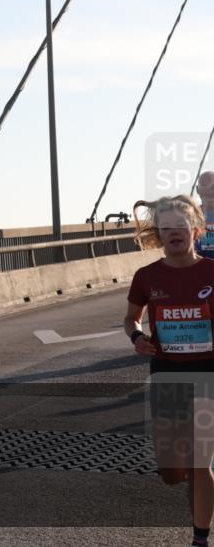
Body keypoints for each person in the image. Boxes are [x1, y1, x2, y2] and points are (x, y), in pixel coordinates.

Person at [125, 195, 214, 546]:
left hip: (208, 371)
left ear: (195, 230)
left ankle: (200, 537)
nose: (174, 233)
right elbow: (132, 317)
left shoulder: (212, 271)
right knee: (172, 470)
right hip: (166, 372)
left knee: (199, 460)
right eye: (167, 229)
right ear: (158, 236)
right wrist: (136, 337)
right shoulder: (146, 276)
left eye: (180, 227)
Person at [197, 171, 214, 260]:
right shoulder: (187, 217)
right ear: (197, 190)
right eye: (204, 186)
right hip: (198, 270)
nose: (209, 191)